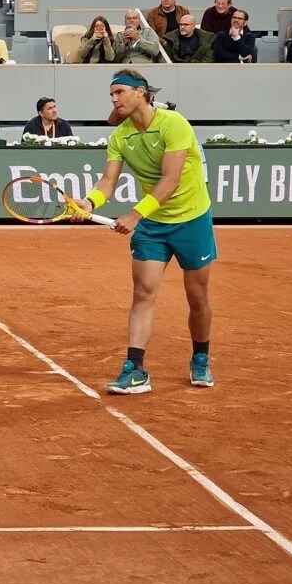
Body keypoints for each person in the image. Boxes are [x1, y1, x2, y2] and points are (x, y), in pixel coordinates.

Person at [72, 69, 217, 393]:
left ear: (141, 93)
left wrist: (135, 215)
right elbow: (108, 182)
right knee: (143, 293)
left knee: (197, 298)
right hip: (153, 225)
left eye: (120, 92)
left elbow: (171, 180)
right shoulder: (120, 137)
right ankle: (134, 368)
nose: (114, 99)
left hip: (191, 218)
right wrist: (90, 202)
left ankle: (200, 358)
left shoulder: (173, 124)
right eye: (111, 94)